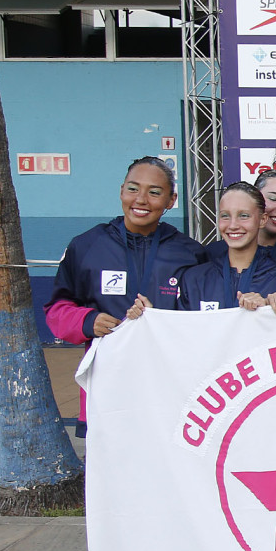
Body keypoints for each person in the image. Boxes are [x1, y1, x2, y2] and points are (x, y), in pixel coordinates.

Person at [45, 157, 206, 434]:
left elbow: (202, 320)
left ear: (171, 200)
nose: (141, 199)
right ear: (121, 191)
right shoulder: (87, 246)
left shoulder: (189, 253)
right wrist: (86, 321)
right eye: (133, 189)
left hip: (169, 384)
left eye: (155, 192)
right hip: (108, 383)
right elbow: (57, 309)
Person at [168, 182, 276, 313]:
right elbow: (182, 330)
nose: (233, 225)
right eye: (225, 216)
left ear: (262, 220)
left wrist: (267, 312)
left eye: (244, 216)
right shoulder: (195, 278)